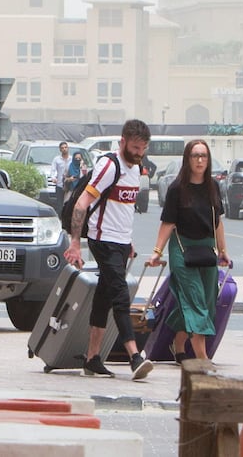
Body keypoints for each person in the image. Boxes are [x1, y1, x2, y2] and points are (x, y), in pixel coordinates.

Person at [63, 119, 155, 380]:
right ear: (123, 141)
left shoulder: (136, 169)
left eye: (143, 149)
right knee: (120, 294)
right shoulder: (108, 165)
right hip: (102, 240)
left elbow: (124, 209)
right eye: (135, 147)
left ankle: (92, 358)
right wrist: (74, 244)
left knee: (104, 296)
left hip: (121, 243)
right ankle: (135, 357)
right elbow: (82, 203)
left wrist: (129, 242)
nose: (138, 153)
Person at [149, 140, 231, 363]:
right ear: (187, 159)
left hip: (207, 249)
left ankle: (178, 343)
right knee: (195, 299)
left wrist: (223, 250)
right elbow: (167, 223)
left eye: (203, 155)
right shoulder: (177, 188)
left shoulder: (213, 186)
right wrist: (157, 251)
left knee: (207, 300)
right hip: (182, 249)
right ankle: (202, 357)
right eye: (195, 156)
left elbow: (217, 222)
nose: (200, 160)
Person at [50, 141, 71, 217]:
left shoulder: (71, 159)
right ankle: (59, 220)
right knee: (59, 205)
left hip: (69, 185)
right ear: (60, 149)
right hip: (60, 185)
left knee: (68, 204)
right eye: (62, 148)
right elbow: (53, 170)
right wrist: (53, 177)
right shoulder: (57, 159)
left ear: (68, 148)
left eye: (65, 147)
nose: (64, 149)